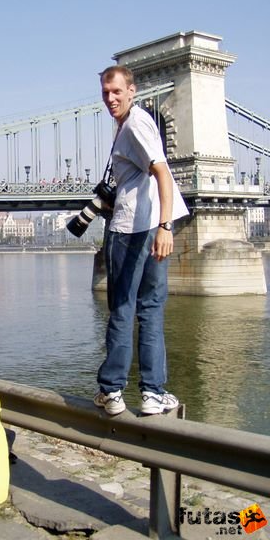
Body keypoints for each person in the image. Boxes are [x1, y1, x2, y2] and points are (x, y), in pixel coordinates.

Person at [93, 66, 188, 416]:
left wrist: (164, 226)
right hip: (147, 226)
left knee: (123, 309)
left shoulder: (135, 124)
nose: (110, 99)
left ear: (132, 90)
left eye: (116, 91)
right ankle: (152, 393)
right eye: (105, 93)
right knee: (149, 309)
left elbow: (161, 171)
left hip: (133, 231)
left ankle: (112, 391)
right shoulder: (133, 124)